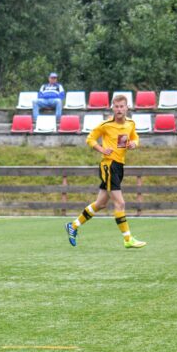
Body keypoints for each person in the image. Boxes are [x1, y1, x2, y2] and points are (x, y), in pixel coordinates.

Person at [65, 94, 147, 249]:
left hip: (119, 166)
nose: (119, 109)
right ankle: (128, 238)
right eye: (116, 106)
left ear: (126, 107)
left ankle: (73, 226)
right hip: (109, 165)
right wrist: (102, 149)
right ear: (112, 108)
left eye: (122, 106)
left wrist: (134, 144)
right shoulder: (105, 125)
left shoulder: (131, 123)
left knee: (101, 203)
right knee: (120, 203)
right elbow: (90, 139)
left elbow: (135, 138)